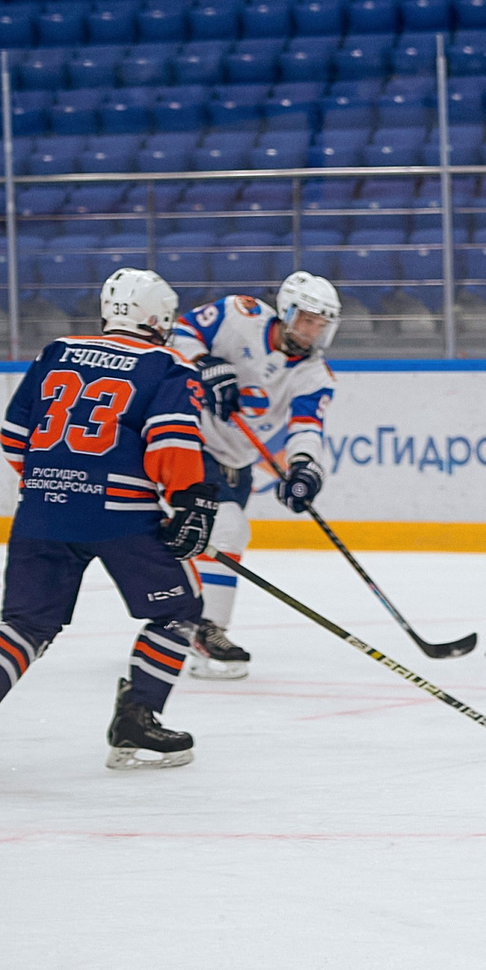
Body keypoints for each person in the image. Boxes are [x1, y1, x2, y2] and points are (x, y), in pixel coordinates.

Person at [0, 269, 219, 778]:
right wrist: (189, 502)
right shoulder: (168, 365)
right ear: (159, 318)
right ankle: (137, 720)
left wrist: (59, 483)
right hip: (122, 516)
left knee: (27, 622)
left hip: (41, 509)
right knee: (180, 610)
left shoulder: (56, 351)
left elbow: (12, 438)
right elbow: (172, 442)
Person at [170, 271, 341, 679]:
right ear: (286, 311)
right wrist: (205, 363)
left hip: (239, 460)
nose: (313, 331)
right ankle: (208, 632)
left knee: (216, 544)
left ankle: (180, 626)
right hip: (192, 442)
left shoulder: (314, 374)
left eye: (321, 324)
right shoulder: (237, 314)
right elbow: (179, 332)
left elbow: (305, 428)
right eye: (307, 320)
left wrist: (303, 468)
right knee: (228, 529)